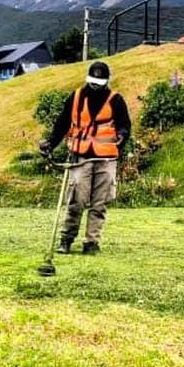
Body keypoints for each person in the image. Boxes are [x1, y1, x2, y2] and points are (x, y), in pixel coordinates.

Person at [40, 61, 131, 254]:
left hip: (106, 159)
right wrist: (50, 143)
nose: (95, 85)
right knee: (76, 200)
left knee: (100, 202)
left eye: (99, 82)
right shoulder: (76, 97)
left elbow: (124, 125)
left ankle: (92, 242)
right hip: (80, 157)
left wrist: (122, 135)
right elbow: (62, 123)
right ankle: (66, 239)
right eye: (92, 81)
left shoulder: (116, 100)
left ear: (106, 81)